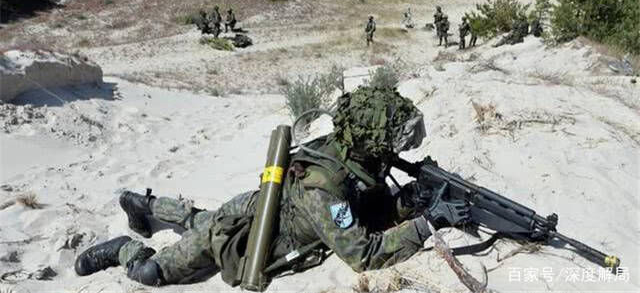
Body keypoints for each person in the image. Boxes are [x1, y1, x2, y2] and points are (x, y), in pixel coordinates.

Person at [74, 86, 470, 287]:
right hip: (245, 234)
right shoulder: (325, 186)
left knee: (198, 219)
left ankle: (143, 204)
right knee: (152, 272)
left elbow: (364, 210)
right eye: (393, 141)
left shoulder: (350, 153)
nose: (398, 149)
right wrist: (424, 226)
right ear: (372, 139)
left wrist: (407, 202)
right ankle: (121, 248)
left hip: (259, 205)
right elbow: (361, 254)